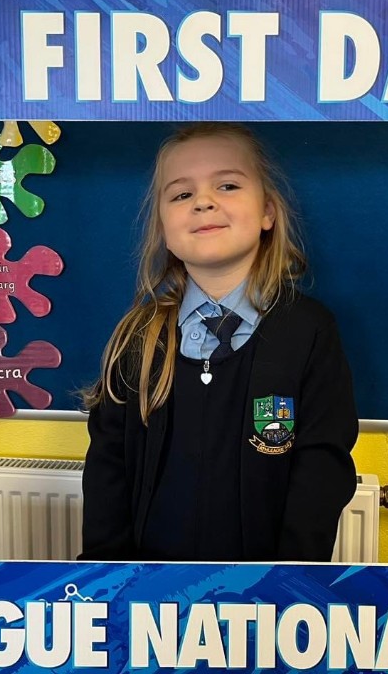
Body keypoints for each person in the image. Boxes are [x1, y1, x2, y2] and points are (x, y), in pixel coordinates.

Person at [80, 123, 358, 562]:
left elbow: (321, 471)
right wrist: (108, 576)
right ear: (163, 227)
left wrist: (291, 579)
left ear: (268, 212)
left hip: (265, 591)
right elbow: (106, 471)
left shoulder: (309, 331)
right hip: (150, 587)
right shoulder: (137, 338)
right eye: (181, 194)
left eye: (227, 185)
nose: (203, 201)